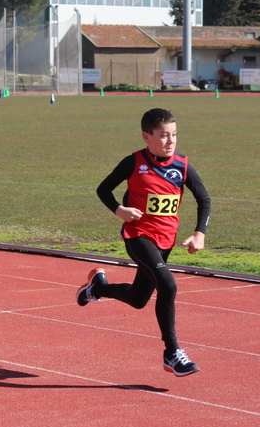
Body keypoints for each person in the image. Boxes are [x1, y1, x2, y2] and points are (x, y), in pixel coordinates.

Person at [77, 108, 211, 377]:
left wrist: (200, 233)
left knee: (139, 299)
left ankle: (98, 287)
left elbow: (204, 199)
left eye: (173, 135)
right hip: (138, 236)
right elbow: (103, 188)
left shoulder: (183, 165)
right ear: (146, 137)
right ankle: (172, 353)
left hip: (166, 239)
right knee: (168, 285)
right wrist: (119, 210)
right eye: (163, 136)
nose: (170, 141)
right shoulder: (133, 162)